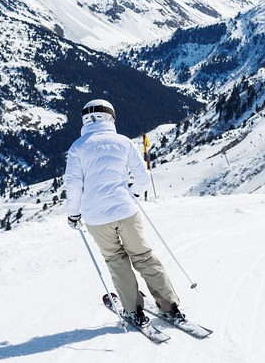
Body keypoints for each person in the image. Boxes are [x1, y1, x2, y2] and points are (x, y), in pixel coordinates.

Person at [64, 98, 185, 326]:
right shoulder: (123, 143)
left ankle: (133, 310)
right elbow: (142, 178)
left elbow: (73, 185)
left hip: (96, 217)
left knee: (116, 260)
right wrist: (133, 195)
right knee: (144, 257)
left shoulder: (77, 147)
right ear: (111, 116)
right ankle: (171, 306)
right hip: (126, 211)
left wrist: (73, 214)